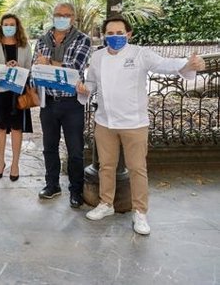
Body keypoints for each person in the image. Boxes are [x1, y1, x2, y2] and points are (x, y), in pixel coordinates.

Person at [77, 16, 205, 235]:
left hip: (134, 123)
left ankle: (140, 212)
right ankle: (106, 204)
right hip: (105, 121)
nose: (115, 37)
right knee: (106, 166)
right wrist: (84, 90)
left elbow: (165, 65)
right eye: (110, 33)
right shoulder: (97, 57)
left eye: (120, 33)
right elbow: (92, 83)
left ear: (129, 34)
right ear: (104, 35)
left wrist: (187, 64)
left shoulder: (140, 53)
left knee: (137, 169)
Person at [33, 2, 91, 208]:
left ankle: (76, 190)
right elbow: (35, 69)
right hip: (48, 102)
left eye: (66, 15)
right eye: (58, 14)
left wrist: (47, 64)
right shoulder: (42, 40)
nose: (62, 17)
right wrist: (44, 67)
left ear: (73, 18)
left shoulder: (83, 40)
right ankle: (52, 185)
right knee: (49, 147)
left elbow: (75, 68)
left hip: (72, 103)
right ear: (53, 16)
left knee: (75, 150)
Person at [0, 14, 33, 181]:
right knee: (0, 128)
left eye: (12, 24)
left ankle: (15, 164)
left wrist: (19, 68)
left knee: (16, 128)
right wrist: (4, 67)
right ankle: (0, 162)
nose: (9, 27)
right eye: (6, 24)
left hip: (18, 91)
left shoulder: (25, 46)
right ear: (1, 26)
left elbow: (30, 67)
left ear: (17, 26)